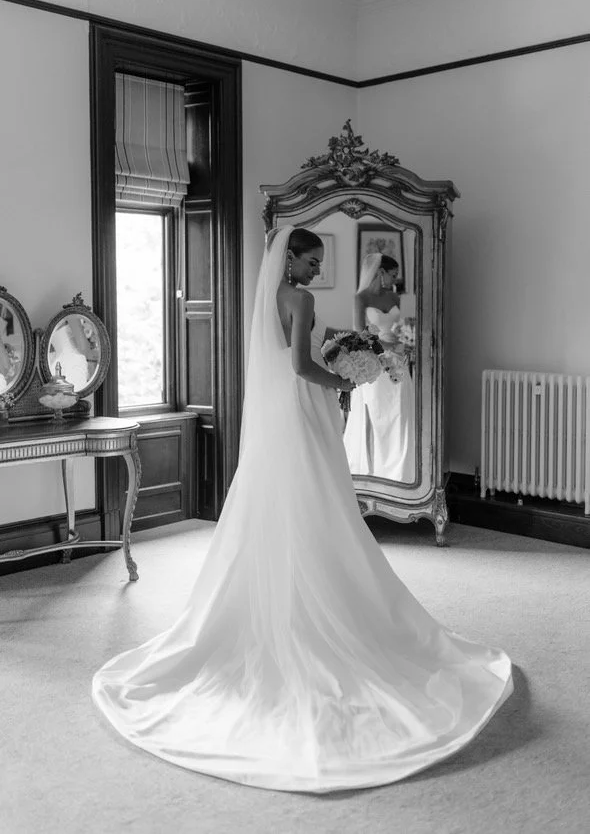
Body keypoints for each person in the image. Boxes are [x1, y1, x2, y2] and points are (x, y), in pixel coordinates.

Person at [92, 225, 512, 793]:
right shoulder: (302, 299)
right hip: (299, 408)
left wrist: (337, 360)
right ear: (289, 259)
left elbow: (285, 357)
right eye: (312, 262)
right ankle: (319, 598)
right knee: (319, 500)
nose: (317, 272)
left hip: (277, 420)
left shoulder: (268, 297)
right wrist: (341, 377)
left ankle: (288, 587)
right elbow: (298, 367)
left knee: (283, 500)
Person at [344, 252, 415, 482]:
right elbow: (359, 334)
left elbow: (402, 329)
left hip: (398, 361)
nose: (395, 280)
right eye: (392, 275)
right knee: (376, 415)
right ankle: (375, 473)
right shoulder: (360, 298)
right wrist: (385, 346)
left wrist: (406, 342)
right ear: (380, 272)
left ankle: (400, 474)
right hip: (374, 363)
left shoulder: (396, 299)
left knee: (400, 414)